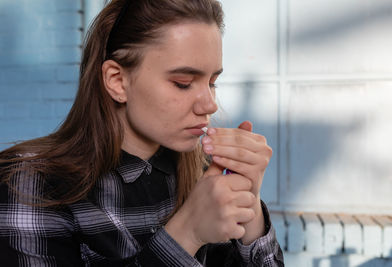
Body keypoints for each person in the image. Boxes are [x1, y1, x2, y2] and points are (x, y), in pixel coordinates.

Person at [0, 0, 284, 266]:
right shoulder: (29, 182)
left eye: (212, 82)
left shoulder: (203, 175)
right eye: (183, 82)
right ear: (117, 81)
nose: (209, 104)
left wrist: (250, 211)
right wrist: (186, 233)